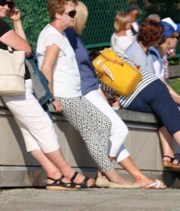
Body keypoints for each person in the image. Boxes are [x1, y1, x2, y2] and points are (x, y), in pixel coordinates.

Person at [65, 1, 164, 189]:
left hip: (92, 88)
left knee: (113, 134)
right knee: (119, 130)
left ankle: (138, 177)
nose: (85, 22)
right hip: (85, 91)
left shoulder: (74, 36)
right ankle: (103, 172)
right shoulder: (68, 36)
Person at [38, 0, 135, 188]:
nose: (75, 17)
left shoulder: (60, 34)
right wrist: (51, 97)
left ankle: (103, 173)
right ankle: (113, 177)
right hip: (64, 95)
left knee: (104, 124)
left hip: (74, 94)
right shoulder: (53, 36)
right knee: (91, 132)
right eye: (71, 14)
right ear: (58, 15)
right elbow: (46, 68)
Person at [0, 0, 83, 190]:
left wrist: (17, 22)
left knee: (29, 132)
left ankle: (53, 174)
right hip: (13, 86)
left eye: (9, 3)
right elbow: (27, 48)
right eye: (2, 2)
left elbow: (24, 50)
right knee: (43, 125)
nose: (7, 6)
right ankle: (67, 172)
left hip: (14, 84)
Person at [122, 19, 180, 176]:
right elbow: (149, 83)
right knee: (173, 113)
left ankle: (170, 157)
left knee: (165, 113)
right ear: (156, 39)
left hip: (138, 96)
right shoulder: (139, 53)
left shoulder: (143, 51)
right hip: (135, 97)